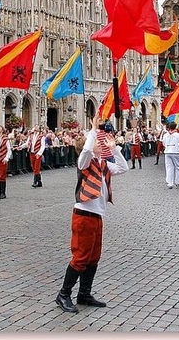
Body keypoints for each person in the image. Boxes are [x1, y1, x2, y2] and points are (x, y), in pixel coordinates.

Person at [55, 115, 129, 314]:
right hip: (84, 214)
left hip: (97, 215)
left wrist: (113, 148)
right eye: (98, 141)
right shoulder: (84, 162)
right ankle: (63, 294)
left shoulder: (102, 164)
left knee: (93, 257)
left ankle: (84, 293)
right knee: (80, 257)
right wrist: (94, 130)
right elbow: (87, 149)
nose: (99, 143)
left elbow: (123, 168)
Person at [161, 122, 179, 189]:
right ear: (175, 127)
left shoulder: (165, 135)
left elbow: (163, 143)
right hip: (176, 152)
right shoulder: (178, 135)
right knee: (178, 167)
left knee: (169, 168)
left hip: (167, 152)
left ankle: (170, 183)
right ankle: (178, 182)